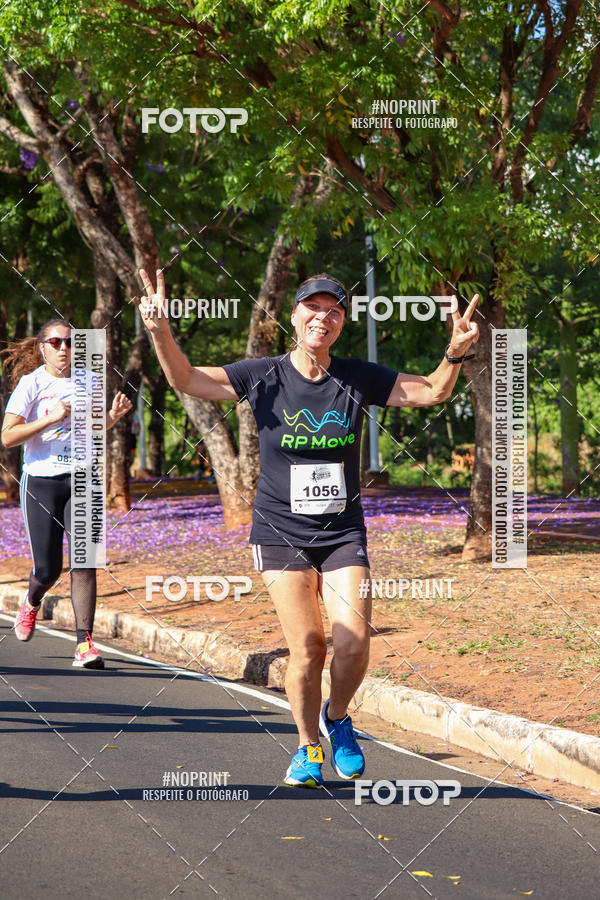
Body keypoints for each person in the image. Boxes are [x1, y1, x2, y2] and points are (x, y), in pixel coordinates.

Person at [139, 268, 479, 787]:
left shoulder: (357, 376)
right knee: (309, 648)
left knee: (355, 640)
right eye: (313, 308)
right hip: (279, 531)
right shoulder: (263, 375)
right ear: (293, 316)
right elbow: (186, 380)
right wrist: (160, 329)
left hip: (343, 530)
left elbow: (432, 391)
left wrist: (455, 352)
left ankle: (338, 719)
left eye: (335, 310)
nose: (324, 317)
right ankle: (307, 747)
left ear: (342, 322)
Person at [1, 319, 132, 668]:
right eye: (56, 342)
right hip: (42, 481)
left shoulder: (89, 381)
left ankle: (84, 644)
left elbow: (90, 426)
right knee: (47, 569)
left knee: (85, 563)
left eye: (71, 343)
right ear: (42, 348)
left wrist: (111, 418)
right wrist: (50, 418)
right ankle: (31, 602)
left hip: (83, 479)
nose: (64, 349)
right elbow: (8, 437)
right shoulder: (31, 384)